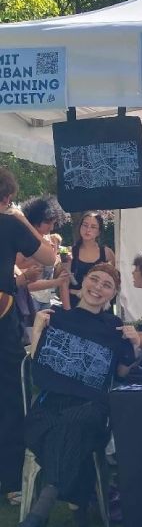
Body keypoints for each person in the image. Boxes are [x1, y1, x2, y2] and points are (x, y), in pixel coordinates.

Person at [7, 263, 137, 527]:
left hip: (91, 409)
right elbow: (38, 370)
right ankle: (78, 526)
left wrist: (134, 343)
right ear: (83, 282)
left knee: (74, 427)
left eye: (107, 285)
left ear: (113, 294)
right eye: (94, 279)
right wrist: (38, 330)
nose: (98, 287)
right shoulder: (58, 318)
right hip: (51, 405)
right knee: (65, 432)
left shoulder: (114, 328)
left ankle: (41, 509)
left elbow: (124, 373)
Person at [0, 169, 57, 506]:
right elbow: (49, 257)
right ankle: (11, 481)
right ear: (7, 198)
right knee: (9, 396)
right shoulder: (8, 223)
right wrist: (19, 217)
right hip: (3, 314)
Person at [17, 196, 70, 314]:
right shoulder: (24, 240)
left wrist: (64, 261)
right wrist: (56, 282)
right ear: (35, 220)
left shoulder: (47, 238)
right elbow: (27, 283)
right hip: (29, 300)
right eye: (47, 222)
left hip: (46, 299)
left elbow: (52, 269)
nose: (51, 227)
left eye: (54, 223)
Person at [66, 211, 115, 309]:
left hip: (99, 306)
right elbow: (64, 285)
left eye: (93, 227)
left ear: (99, 232)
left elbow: (113, 282)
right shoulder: (71, 252)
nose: (88, 230)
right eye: (85, 225)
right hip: (76, 305)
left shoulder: (107, 253)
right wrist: (67, 311)